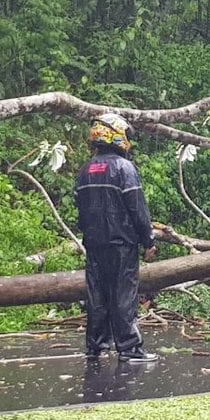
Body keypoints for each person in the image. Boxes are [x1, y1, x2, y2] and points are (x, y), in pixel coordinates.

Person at [74, 113, 158, 365]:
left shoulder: (85, 170)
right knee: (124, 295)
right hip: (122, 243)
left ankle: (95, 347)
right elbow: (137, 208)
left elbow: (80, 209)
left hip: (94, 243)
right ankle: (130, 348)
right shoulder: (124, 168)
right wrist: (149, 240)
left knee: (97, 296)